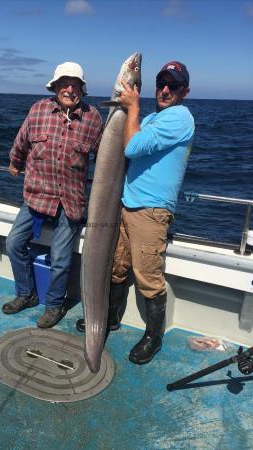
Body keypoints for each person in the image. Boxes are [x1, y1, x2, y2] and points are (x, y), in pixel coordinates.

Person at [76, 61, 194, 365]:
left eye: (173, 86)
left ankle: (153, 338)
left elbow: (131, 147)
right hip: (126, 204)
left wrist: (131, 108)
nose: (165, 90)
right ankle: (111, 318)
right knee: (116, 267)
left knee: (148, 277)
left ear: (185, 91)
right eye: (161, 83)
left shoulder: (180, 118)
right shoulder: (154, 117)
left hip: (151, 212)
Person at [2, 62, 103, 328]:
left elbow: (105, 159)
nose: (69, 89)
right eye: (64, 83)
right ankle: (26, 294)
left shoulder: (93, 117)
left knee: (61, 258)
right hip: (37, 195)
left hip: (71, 201)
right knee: (13, 243)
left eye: (75, 84)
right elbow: (21, 141)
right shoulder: (38, 109)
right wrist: (14, 162)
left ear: (82, 88)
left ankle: (54, 306)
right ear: (55, 86)